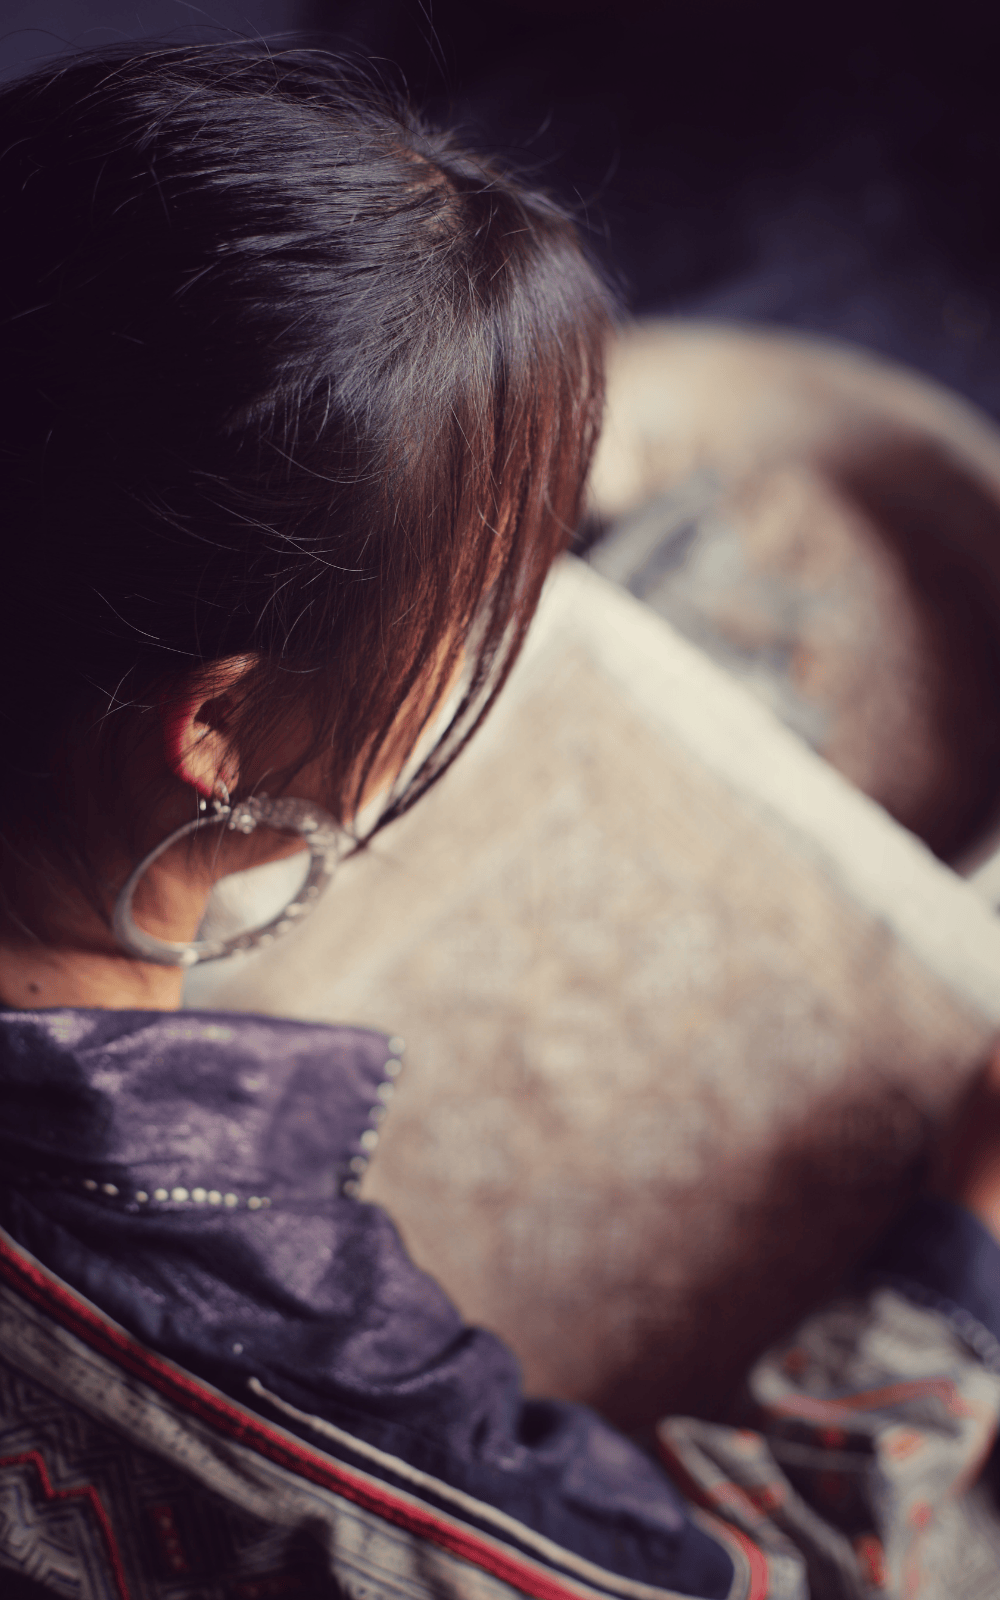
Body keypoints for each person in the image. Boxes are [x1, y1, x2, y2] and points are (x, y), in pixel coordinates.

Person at [1, 41, 1000, 1600]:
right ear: (210, 727)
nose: (501, 654)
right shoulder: (237, 1344)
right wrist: (966, 1247)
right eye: (463, 614)